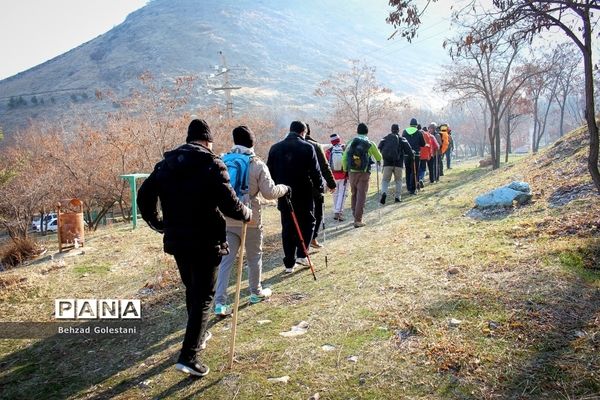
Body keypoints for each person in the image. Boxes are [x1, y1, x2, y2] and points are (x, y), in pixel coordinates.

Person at [137, 119, 252, 377]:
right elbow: (230, 205)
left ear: (189, 139)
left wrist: (159, 223)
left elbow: (144, 196)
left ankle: (198, 335)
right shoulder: (211, 163)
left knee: (193, 290)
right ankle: (189, 357)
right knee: (203, 297)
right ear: (208, 141)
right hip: (206, 240)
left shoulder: (166, 164)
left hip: (178, 240)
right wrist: (246, 212)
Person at [214, 126, 289, 316]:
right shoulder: (257, 164)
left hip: (227, 217)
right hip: (251, 219)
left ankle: (220, 303)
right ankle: (255, 292)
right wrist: (285, 188)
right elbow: (269, 193)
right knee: (254, 256)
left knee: (226, 260)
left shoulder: (222, 160)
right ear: (253, 143)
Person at [267, 121, 323, 273]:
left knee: (287, 227)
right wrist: (320, 188)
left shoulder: (275, 148)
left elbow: (269, 173)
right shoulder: (307, 147)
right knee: (309, 221)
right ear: (303, 132)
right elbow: (315, 172)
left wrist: (276, 188)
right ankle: (302, 254)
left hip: (283, 193)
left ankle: (289, 263)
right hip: (304, 193)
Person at [342, 122, 382, 228]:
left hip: (351, 172)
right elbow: (378, 157)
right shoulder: (369, 143)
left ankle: (355, 216)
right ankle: (358, 220)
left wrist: (346, 169)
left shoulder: (351, 142)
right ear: (367, 132)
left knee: (354, 193)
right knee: (361, 195)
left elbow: (345, 157)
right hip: (364, 172)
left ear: (357, 131)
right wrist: (377, 160)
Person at [305, 124, 336, 248]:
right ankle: (313, 238)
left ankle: (303, 240)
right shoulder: (315, 145)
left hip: (294, 187)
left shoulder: (286, 146)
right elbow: (324, 166)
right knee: (317, 212)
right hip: (314, 186)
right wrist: (331, 183)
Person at [378, 124, 414, 204]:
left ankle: (384, 192)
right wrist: (412, 155)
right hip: (398, 164)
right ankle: (397, 197)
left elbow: (379, 147)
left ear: (391, 130)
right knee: (398, 180)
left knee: (385, 180)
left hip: (387, 164)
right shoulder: (402, 139)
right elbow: (409, 150)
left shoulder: (385, 138)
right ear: (398, 130)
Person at [324, 133, 348, 221]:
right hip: (343, 176)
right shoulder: (344, 149)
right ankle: (338, 212)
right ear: (339, 140)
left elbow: (326, 165)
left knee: (335, 194)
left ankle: (336, 211)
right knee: (342, 194)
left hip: (333, 176)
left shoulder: (328, 151)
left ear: (331, 141)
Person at [402, 118, 426, 194]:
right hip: (416, 155)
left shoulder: (404, 132)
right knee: (415, 171)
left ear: (410, 124)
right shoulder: (419, 133)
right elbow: (423, 144)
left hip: (406, 155)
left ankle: (408, 187)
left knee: (408, 170)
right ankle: (413, 188)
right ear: (416, 125)